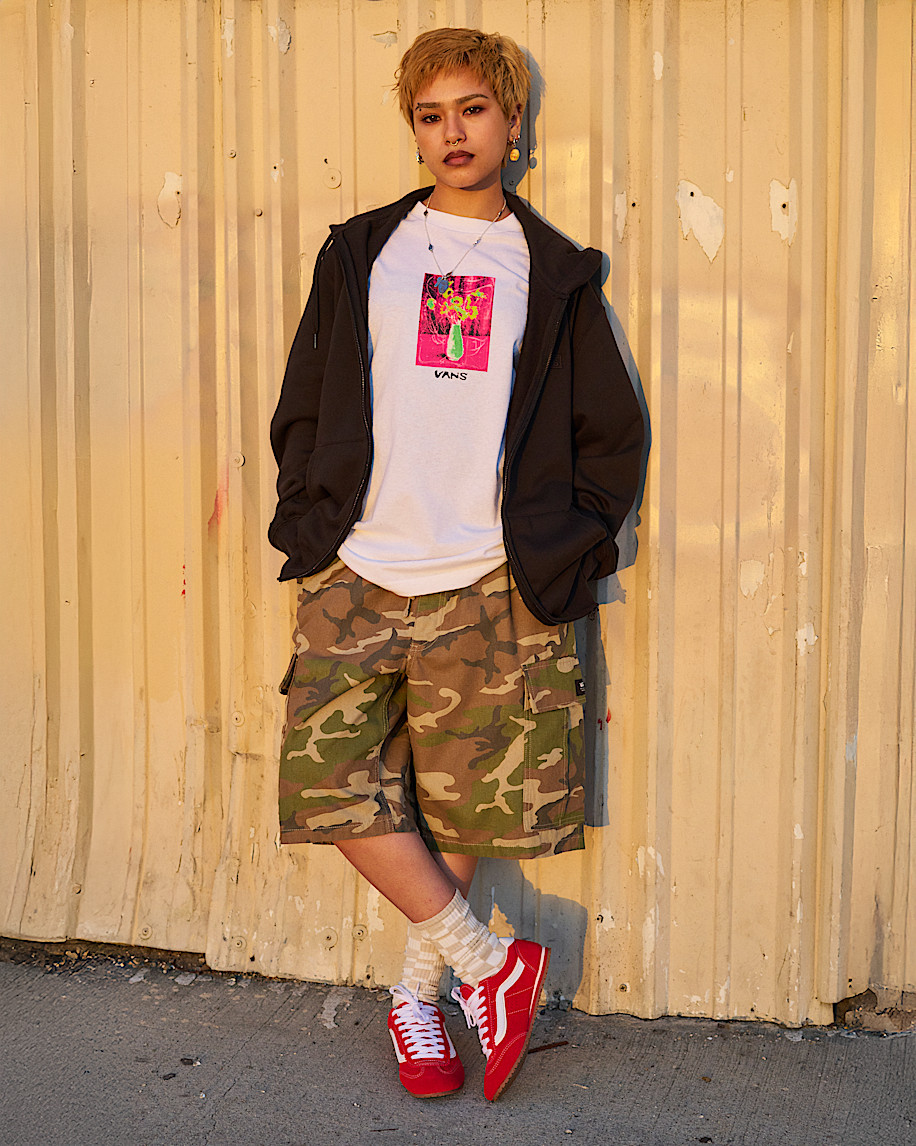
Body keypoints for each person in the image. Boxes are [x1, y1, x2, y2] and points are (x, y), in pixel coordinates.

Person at [268, 27, 644, 1102]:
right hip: (361, 564)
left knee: (460, 807)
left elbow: (609, 434)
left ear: (511, 122)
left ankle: (419, 1001)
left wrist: (563, 547)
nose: (453, 132)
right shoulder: (363, 253)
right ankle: (492, 966)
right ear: (415, 130)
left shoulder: (553, 272)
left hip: (488, 575)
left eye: (473, 109)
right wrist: (310, 513)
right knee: (331, 786)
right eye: (431, 115)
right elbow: (305, 397)